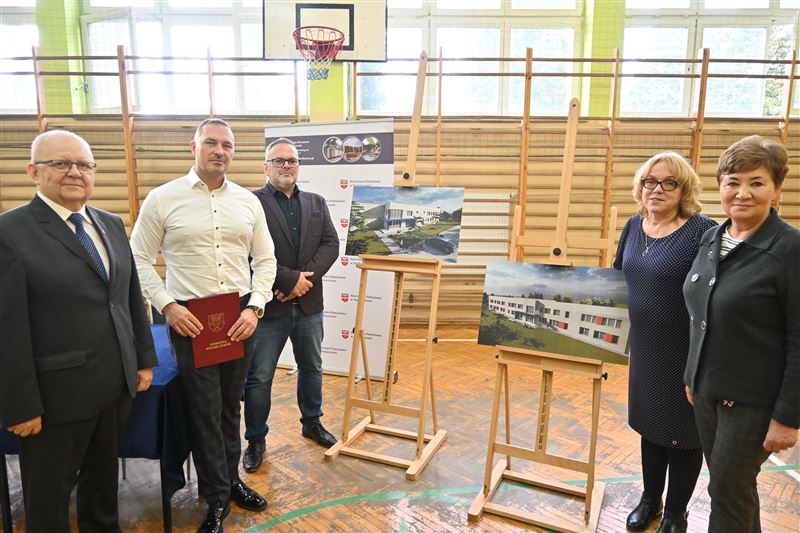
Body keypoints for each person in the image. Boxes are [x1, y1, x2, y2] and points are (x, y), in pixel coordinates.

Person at [0, 130, 156, 533]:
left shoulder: (109, 223)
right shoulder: (9, 233)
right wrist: (19, 405)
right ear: (33, 171)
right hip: (55, 397)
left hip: (113, 387)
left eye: (84, 165)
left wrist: (142, 359)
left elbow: (127, 297)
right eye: (61, 163)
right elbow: (7, 328)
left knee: (102, 487)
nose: (75, 172)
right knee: (48, 500)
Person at [130, 118, 276, 533]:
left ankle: (230, 482)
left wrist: (255, 308)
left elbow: (266, 260)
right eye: (211, 142)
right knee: (204, 410)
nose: (219, 151)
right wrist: (167, 306)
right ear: (193, 147)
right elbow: (137, 257)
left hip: (239, 318)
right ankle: (215, 498)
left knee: (231, 406)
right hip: (190, 320)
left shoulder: (248, 202)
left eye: (227, 145)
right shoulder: (163, 198)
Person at [684, 135, 798, 533]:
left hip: (753, 402)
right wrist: (693, 375)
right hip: (707, 393)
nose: (742, 193)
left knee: (727, 491)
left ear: (776, 188)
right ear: (720, 186)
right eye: (733, 182)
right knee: (732, 488)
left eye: (757, 182)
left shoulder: (791, 250)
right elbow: (701, 314)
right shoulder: (712, 238)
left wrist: (788, 417)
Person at [614, 152, 717, 533]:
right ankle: (650, 500)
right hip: (645, 348)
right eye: (650, 181)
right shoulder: (633, 226)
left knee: (685, 436)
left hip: (686, 350)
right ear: (640, 186)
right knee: (651, 425)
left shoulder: (703, 230)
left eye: (669, 182)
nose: (657, 189)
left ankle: (676, 514)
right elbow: (617, 277)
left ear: (684, 189)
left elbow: (714, 294)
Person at [242, 137, 339, 473]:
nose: (286, 166)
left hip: (309, 304)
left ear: (299, 165)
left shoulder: (316, 202)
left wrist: (302, 282)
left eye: (292, 161)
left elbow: (330, 244)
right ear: (266, 167)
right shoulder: (251, 202)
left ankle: (312, 423)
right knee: (259, 377)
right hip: (269, 306)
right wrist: (287, 281)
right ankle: (255, 438)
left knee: (312, 367)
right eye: (279, 160)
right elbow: (246, 252)